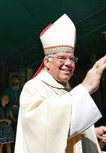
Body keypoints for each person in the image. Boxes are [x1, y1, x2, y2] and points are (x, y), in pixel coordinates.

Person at [15, 14, 106, 153]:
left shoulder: (67, 89)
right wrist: (85, 88)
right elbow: (42, 132)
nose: (69, 63)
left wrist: (92, 132)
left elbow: (66, 126)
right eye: (62, 58)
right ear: (47, 62)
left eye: (72, 58)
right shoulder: (33, 87)